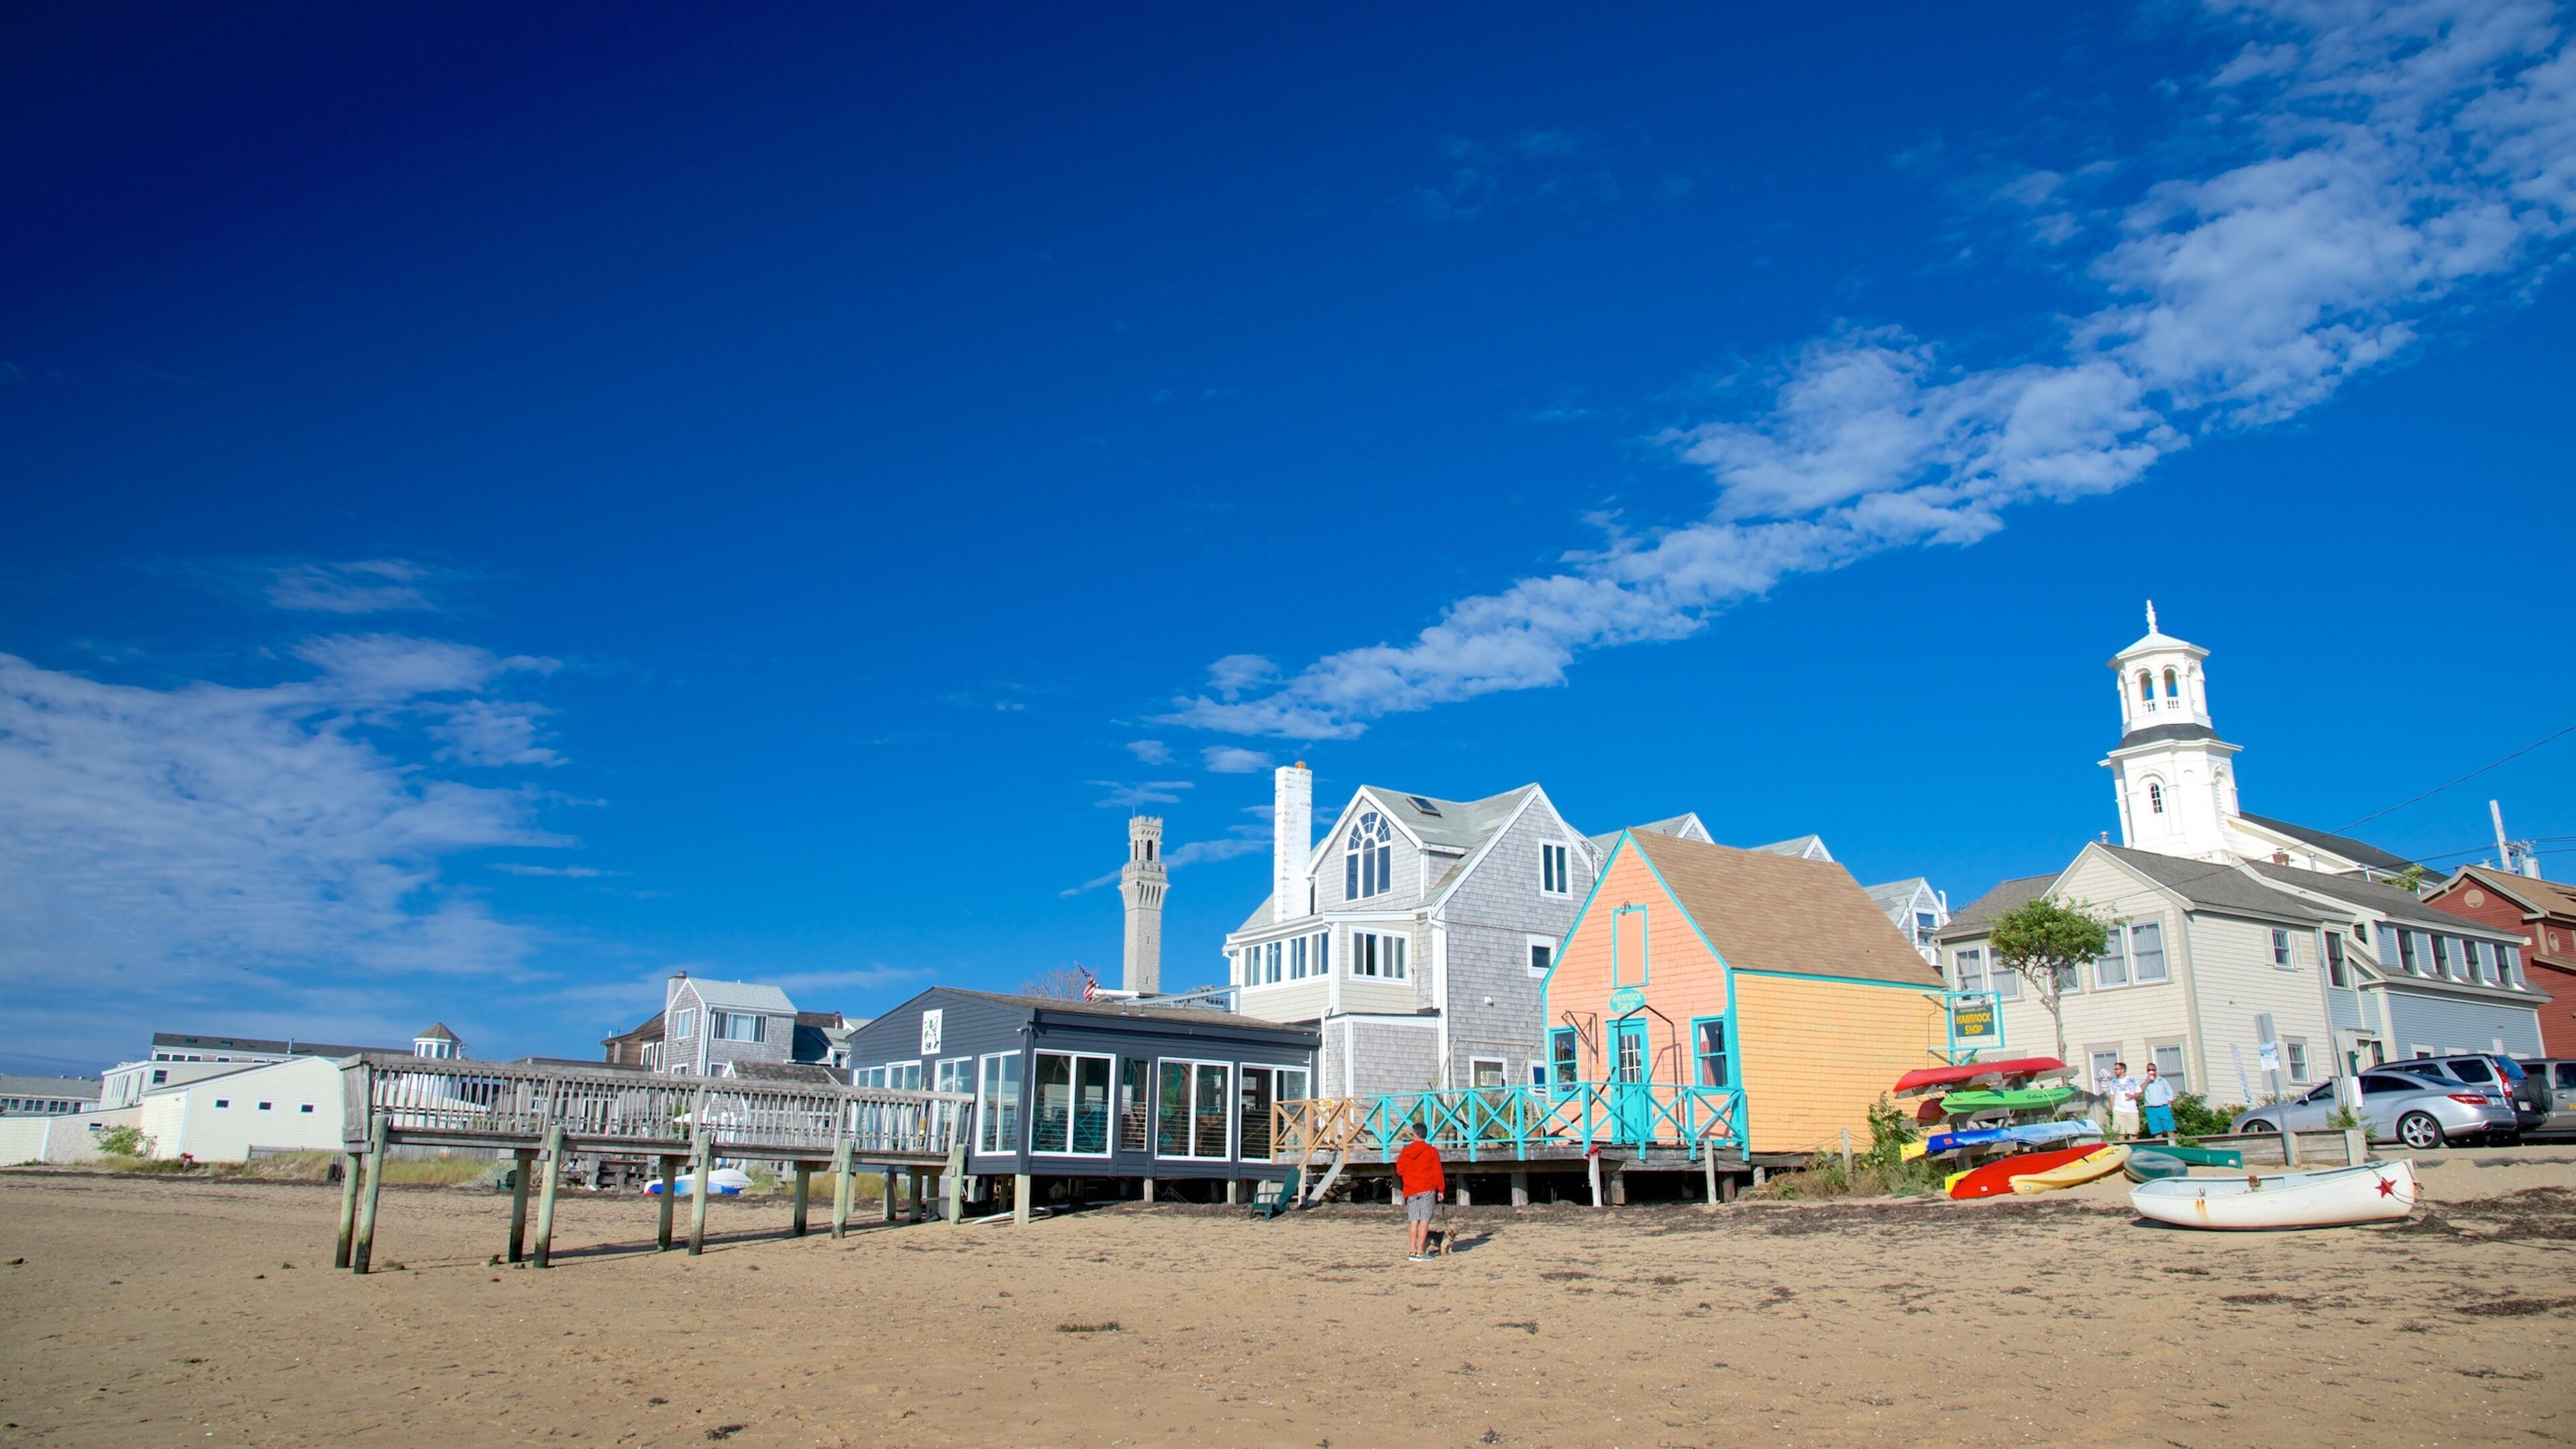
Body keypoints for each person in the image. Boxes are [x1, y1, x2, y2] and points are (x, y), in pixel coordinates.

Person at [1394, 1123, 1445, 1262]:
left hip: (1411, 1189)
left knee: (1413, 1221)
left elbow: (1399, 1170)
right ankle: (1420, 1252)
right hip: (1427, 1189)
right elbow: (1437, 1172)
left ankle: (1412, 1251)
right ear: (1425, 1135)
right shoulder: (1431, 1151)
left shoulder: (1406, 1152)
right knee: (1424, 1221)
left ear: (1414, 1136)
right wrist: (1441, 1189)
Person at [2103, 1061, 2143, 1140]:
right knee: (2120, 1134)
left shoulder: (2132, 1080)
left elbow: (2139, 1093)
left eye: (2117, 1069)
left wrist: (2132, 1096)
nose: (2115, 1071)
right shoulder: (2113, 1082)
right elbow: (2112, 1095)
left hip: (2132, 1110)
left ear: (2123, 1070)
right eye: (2114, 1069)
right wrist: (2112, 1108)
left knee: (2133, 1133)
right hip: (2119, 1110)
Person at [2140, 1061, 2178, 1138]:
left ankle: (2174, 1147)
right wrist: (2147, 1081)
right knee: (2156, 1131)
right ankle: (2161, 1148)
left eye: (2153, 1070)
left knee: (2170, 1129)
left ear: (2156, 1071)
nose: (2151, 1072)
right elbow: (2139, 1091)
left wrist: (2170, 1105)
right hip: (2151, 1109)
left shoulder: (2163, 1081)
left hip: (2163, 1107)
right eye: (2149, 1070)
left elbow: (2170, 1093)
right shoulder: (2144, 1081)